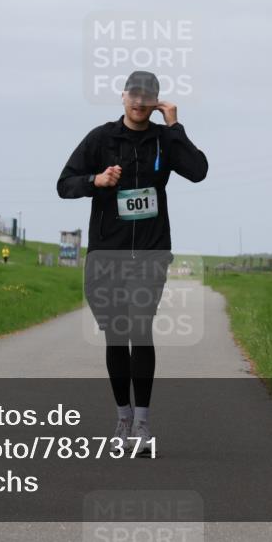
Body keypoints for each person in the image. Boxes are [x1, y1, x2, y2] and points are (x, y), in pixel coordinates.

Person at [56, 70, 208, 454]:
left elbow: (198, 171)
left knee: (140, 329)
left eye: (148, 97)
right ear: (123, 96)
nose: (140, 102)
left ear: (156, 101)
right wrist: (97, 181)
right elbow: (64, 184)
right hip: (108, 252)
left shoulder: (164, 139)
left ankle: (142, 424)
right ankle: (122, 417)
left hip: (151, 252)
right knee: (115, 335)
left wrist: (175, 126)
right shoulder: (102, 138)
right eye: (134, 95)